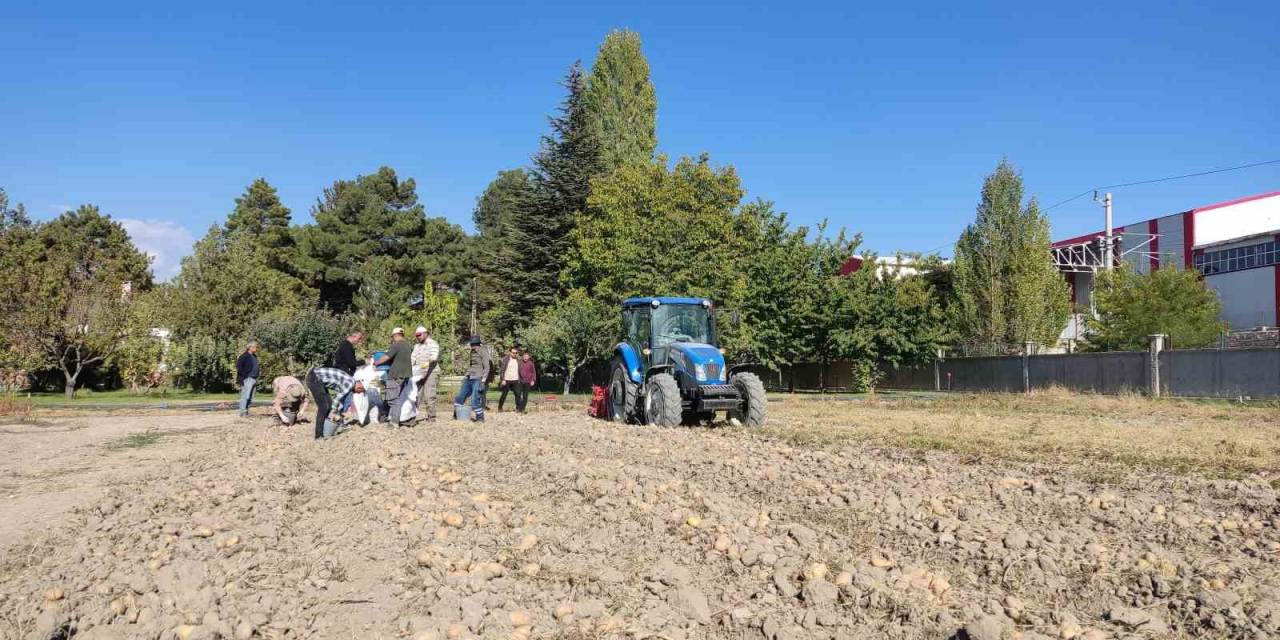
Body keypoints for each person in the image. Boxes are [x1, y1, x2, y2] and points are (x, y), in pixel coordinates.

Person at [373, 327, 414, 427]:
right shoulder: (408, 346)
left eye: (392, 337)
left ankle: (394, 422)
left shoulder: (396, 345)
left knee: (392, 399)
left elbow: (386, 357)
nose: (392, 339)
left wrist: (376, 362)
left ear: (395, 336)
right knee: (399, 398)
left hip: (395, 374)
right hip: (405, 375)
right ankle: (393, 419)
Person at [304, 365, 355, 439]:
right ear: (359, 386)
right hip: (314, 378)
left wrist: (336, 412)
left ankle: (324, 430)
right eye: (361, 391)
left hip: (317, 378)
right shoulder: (350, 384)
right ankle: (319, 435)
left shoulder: (349, 381)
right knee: (324, 407)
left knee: (329, 404)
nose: (358, 393)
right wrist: (335, 413)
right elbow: (337, 398)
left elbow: (339, 398)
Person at [454, 336, 492, 422]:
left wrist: (483, 381)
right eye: (472, 345)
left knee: (475, 399)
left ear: (478, 344)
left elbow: (487, 367)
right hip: (469, 377)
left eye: (474, 345)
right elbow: (471, 365)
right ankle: (456, 414)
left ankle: (480, 418)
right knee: (460, 397)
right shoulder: (472, 352)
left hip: (478, 378)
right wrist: (466, 376)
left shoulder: (483, 351)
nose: (472, 346)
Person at [412, 326, 441, 422]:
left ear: (425, 333)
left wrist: (428, 363)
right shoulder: (416, 346)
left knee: (429, 395)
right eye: (416, 336)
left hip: (431, 372)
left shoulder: (433, 344)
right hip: (419, 372)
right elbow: (412, 359)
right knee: (415, 394)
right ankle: (411, 415)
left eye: (419, 335)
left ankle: (431, 417)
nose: (418, 337)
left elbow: (434, 357)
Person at [351, 356, 386, 425]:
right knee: (370, 406)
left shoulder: (362, 370)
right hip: (368, 390)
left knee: (367, 406)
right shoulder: (367, 369)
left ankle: (369, 419)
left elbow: (355, 379)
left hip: (367, 390)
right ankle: (372, 420)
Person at [235, 342, 260, 418]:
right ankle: (242, 412)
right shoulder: (244, 356)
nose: (256, 349)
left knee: (250, 397)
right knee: (245, 396)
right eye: (255, 347)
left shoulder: (254, 356)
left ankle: (246, 412)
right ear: (250, 348)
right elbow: (239, 366)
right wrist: (245, 376)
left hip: (253, 378)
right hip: (247, 379)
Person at [497, 346, 521, 412]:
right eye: (513, 352)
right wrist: (503, 379)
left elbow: (520, 370)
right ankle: (500, 408)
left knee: (518, 394)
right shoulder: (505, 359)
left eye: (516, 353)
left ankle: (518, 408)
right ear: (510, 352)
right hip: (507, 380)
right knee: (504, 395)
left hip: (516, 380)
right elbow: (502, 370)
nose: (514, 354)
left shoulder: (518, 360)